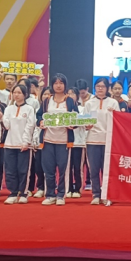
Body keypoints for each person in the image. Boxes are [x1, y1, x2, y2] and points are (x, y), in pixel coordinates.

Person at [37, 73, 79, 206]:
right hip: (47, 140)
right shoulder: (47, 101)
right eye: (56, 83)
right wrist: (40, 122)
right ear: (52, 85)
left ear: (65, 85)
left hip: (64, 141)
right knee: (48, 169)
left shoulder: (70, 101)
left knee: (63, 169)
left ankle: (61, 194)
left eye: (61, 83)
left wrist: (73, 124)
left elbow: (77, 118)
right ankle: (50, 194)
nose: (58, 86)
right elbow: (39, 115)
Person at [84, 77, 119, 205]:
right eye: (98, 86)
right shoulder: (89, 103)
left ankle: (106, 194)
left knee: (107, 170)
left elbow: (118, 121)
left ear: (107, 88)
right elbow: (85, 122)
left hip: (108, 140)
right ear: (94, 88)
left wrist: (114, 114)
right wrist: (86, 125)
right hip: (92, 140)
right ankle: (96, 194)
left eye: (103, 86)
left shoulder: (113, 103)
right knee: (93, 169)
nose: (100, 89)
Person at [2, 84, 36, 204]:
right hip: (10, 144)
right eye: (14, 92)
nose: (16, 95)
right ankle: (13, 192)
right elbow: (7, 126)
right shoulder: (8, 109)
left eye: (19, 93)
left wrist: (25, 142)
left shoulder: (29, 109)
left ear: (25, 95)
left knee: (23, 170)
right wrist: (2, 117)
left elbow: (30, 126)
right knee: (10, 170)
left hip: (24, 144)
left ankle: (23, 193)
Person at [30, 87, 51, 199]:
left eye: (49, 94)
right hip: (38, 142)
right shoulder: (36, 109)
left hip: (50, 141)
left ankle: (49, 187)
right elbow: (33, 127)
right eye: (45, 94)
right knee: (38, 167)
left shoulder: (55, 109)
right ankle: (40, 188)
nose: (47, 96)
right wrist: (33, 141)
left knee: (49, 167)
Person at [66, 88, 86, 198]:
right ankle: (68, 188)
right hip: (66, 141)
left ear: (77, 96)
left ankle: (78, 189)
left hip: (78, 142)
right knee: (67, 167)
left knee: (77, 167)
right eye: (68, 93)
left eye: (72, 93)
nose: (70, 95)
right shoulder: (64, 109)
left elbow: (86, 122)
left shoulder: (82, 109)